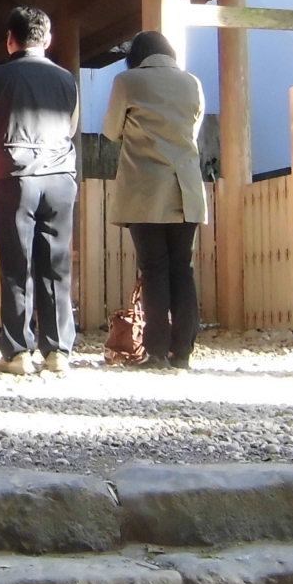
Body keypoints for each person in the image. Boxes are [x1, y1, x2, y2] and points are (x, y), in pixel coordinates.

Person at [0, 6, 79, 375]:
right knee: (56, 263)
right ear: (47, 39)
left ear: (9, 40)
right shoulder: (66, 80)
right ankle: (58, 351)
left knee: (17, 264)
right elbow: (72, 126)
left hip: (15, 175)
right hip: (60, 175)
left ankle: (17, 353)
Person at [101, 30, 207, 368]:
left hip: (146, 188)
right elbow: (194, 130)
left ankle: (157, 350)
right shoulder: (193, 83)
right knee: (182, 268)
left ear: (138, 55)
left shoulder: (128, 81)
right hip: (186, 188)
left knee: (154, 268)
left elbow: (110, 130)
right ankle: (184, 353)